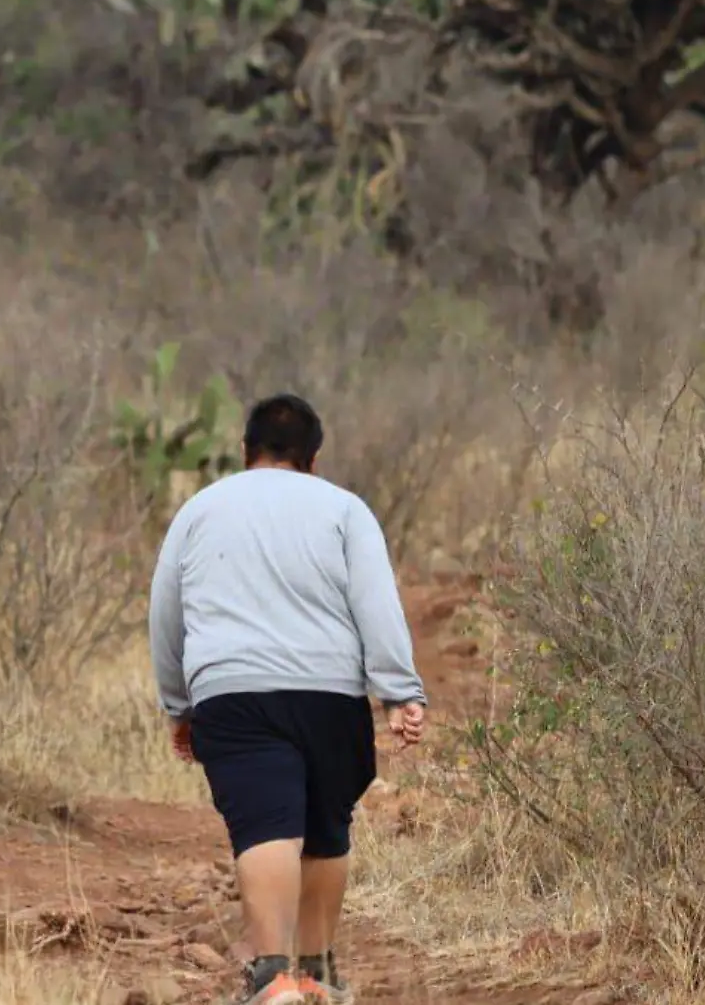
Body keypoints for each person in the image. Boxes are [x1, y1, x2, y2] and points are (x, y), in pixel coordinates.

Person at [148, 393, 428, 1005]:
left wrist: (178, 704)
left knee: (264, 824)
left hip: (233, 690)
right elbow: (375, 604)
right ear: (314, 459)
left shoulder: (200, 509)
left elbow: (165, 613)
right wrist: (398, 692)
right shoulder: (345, 510)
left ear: (246, 451)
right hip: (328, 693)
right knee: (327, 826)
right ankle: (320, 973)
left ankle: (271, 976)